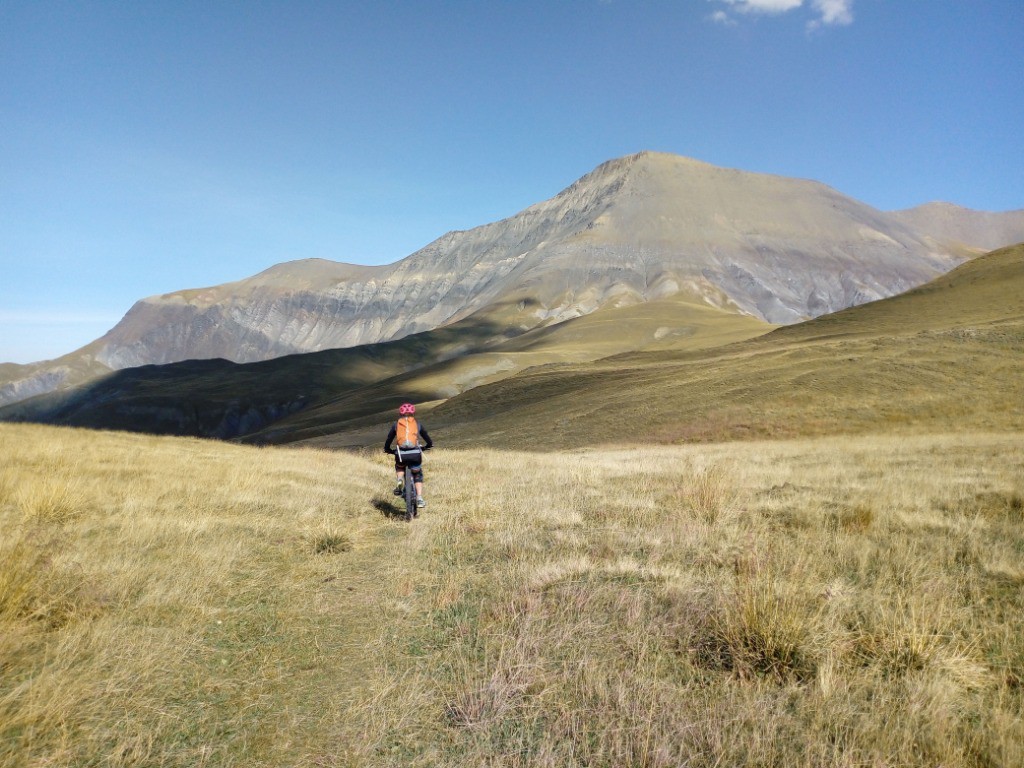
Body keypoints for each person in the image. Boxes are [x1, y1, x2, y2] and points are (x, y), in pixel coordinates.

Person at [384, 402, 433, 509]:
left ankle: (400, 480)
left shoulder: (396, 424)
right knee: (417, 475)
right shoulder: (417, 424)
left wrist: (387, 449)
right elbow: (426, 436)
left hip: (401, 454)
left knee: (400, 466)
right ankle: (419, 498)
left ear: (400, 414)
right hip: (415, 454)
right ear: (413, 413)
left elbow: (389, 439)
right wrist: (429, 445)